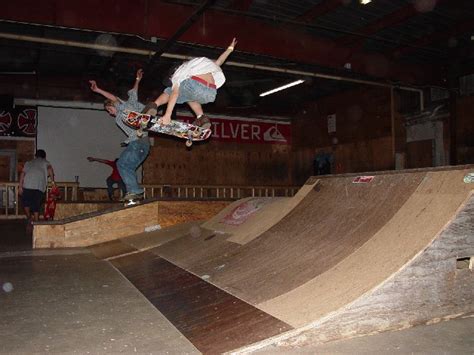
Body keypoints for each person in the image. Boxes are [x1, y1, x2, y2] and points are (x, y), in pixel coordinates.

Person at [145, 38, 237, 128]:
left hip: (196, 85)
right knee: (190, 97)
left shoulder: (179, 72)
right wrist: (230, 48)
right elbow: (220, 61)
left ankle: (153, 105)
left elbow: (174, 94)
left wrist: (167, 115)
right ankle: (201, 118)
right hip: (211, 94)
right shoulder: (200, 64)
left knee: (170, 91)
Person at [89, 68, 149, 201]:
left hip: (138, 142)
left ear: (115, 106)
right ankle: (134, 193)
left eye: (109, 109)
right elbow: (134, 93)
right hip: (143, 146)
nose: (110, 113)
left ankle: (135, 191)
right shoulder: (124, 111)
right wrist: (138, 79)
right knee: (127, 167)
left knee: (121, 164)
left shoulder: (123, 109)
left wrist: (98, 90)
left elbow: (113, 98)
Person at [18, 149, 55, 223]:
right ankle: (36, 223)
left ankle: (29, 217)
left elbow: (22, 174)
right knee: (36, 205)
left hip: (27, 184)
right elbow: (50, 169)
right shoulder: (45, 162)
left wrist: (20, 187)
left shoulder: (28, 163)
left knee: (25, 203)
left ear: (35, 156)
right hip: (39, 185)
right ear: (44, 157)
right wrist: (53, 182)